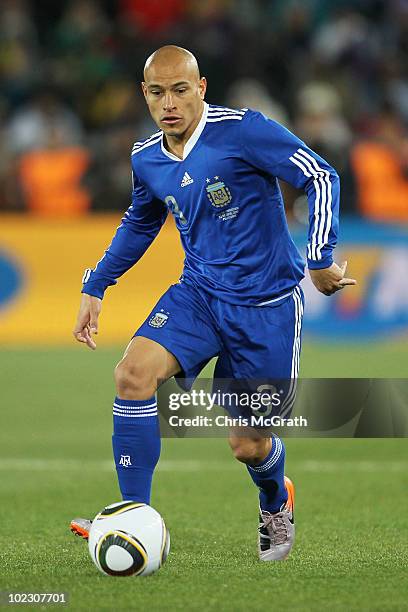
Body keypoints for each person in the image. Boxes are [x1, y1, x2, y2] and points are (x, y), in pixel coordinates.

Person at [71, 46, 356, 562]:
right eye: (157, 92)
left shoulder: (243, 131)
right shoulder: (147, 157)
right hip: (199, 295)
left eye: (181, 90)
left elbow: (319, 176)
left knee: (247, 443)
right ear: (145, 95)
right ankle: (134, 517)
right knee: (132, 374)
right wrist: (97, 284)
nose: (169, 103)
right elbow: (141, 222)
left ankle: (275, 498)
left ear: (201, 89)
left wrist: (319, 257)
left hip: (265, 306)